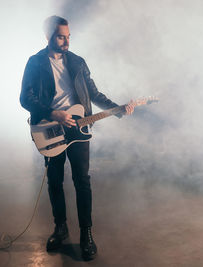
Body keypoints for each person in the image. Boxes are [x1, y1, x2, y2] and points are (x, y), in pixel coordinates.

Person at [20, 16, 134, 260]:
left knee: (82, 181)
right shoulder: (35, 62)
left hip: (79, 129)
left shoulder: (78, 62)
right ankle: (60, 228)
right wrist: (53, 113)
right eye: (61, 36)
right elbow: (25, 99)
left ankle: (86, 235)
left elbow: (93, 93)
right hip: (50, 128)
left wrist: (118, 109)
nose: (66, 41)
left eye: (69, 36)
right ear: (48, 36)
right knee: (55, 181)